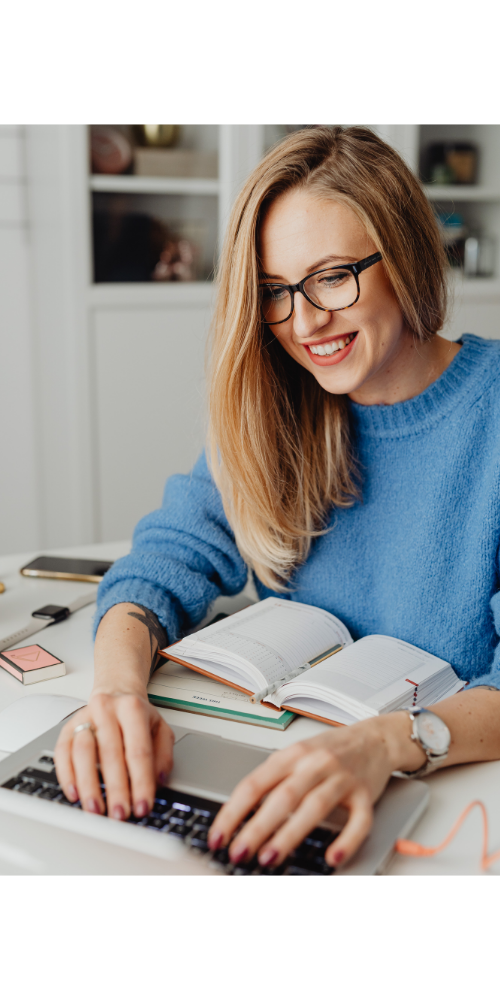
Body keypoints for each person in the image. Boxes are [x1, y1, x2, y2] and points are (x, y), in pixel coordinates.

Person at [55, 126, 500, 870]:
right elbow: (159, 566)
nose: (304, 322)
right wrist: (115, 695)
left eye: (332, 276)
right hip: (274, 782)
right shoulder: (278, 406)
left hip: (448, 803)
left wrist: (389, 742)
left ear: (408, 254)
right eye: (274, 292)